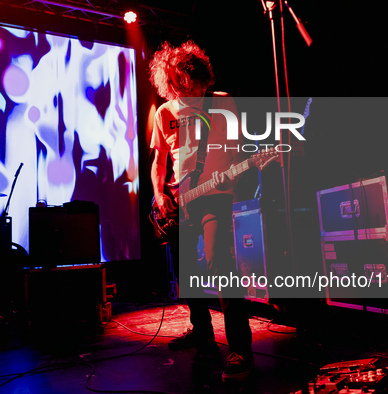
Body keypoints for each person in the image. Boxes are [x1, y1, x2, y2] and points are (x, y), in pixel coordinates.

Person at [149, 41, 253, 382]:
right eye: (178, 80)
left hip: (214, 197)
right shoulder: (165, 113)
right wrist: (158, 195)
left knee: (217, 262)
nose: (185, 85)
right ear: (171, 79)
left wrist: (233, 178)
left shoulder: (221, 102)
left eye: (190, 79)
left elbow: (237, 149)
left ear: (198, 75)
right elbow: (159, 162)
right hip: (179, 201)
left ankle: (240, 348)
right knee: (186, 274)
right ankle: (202, 333)